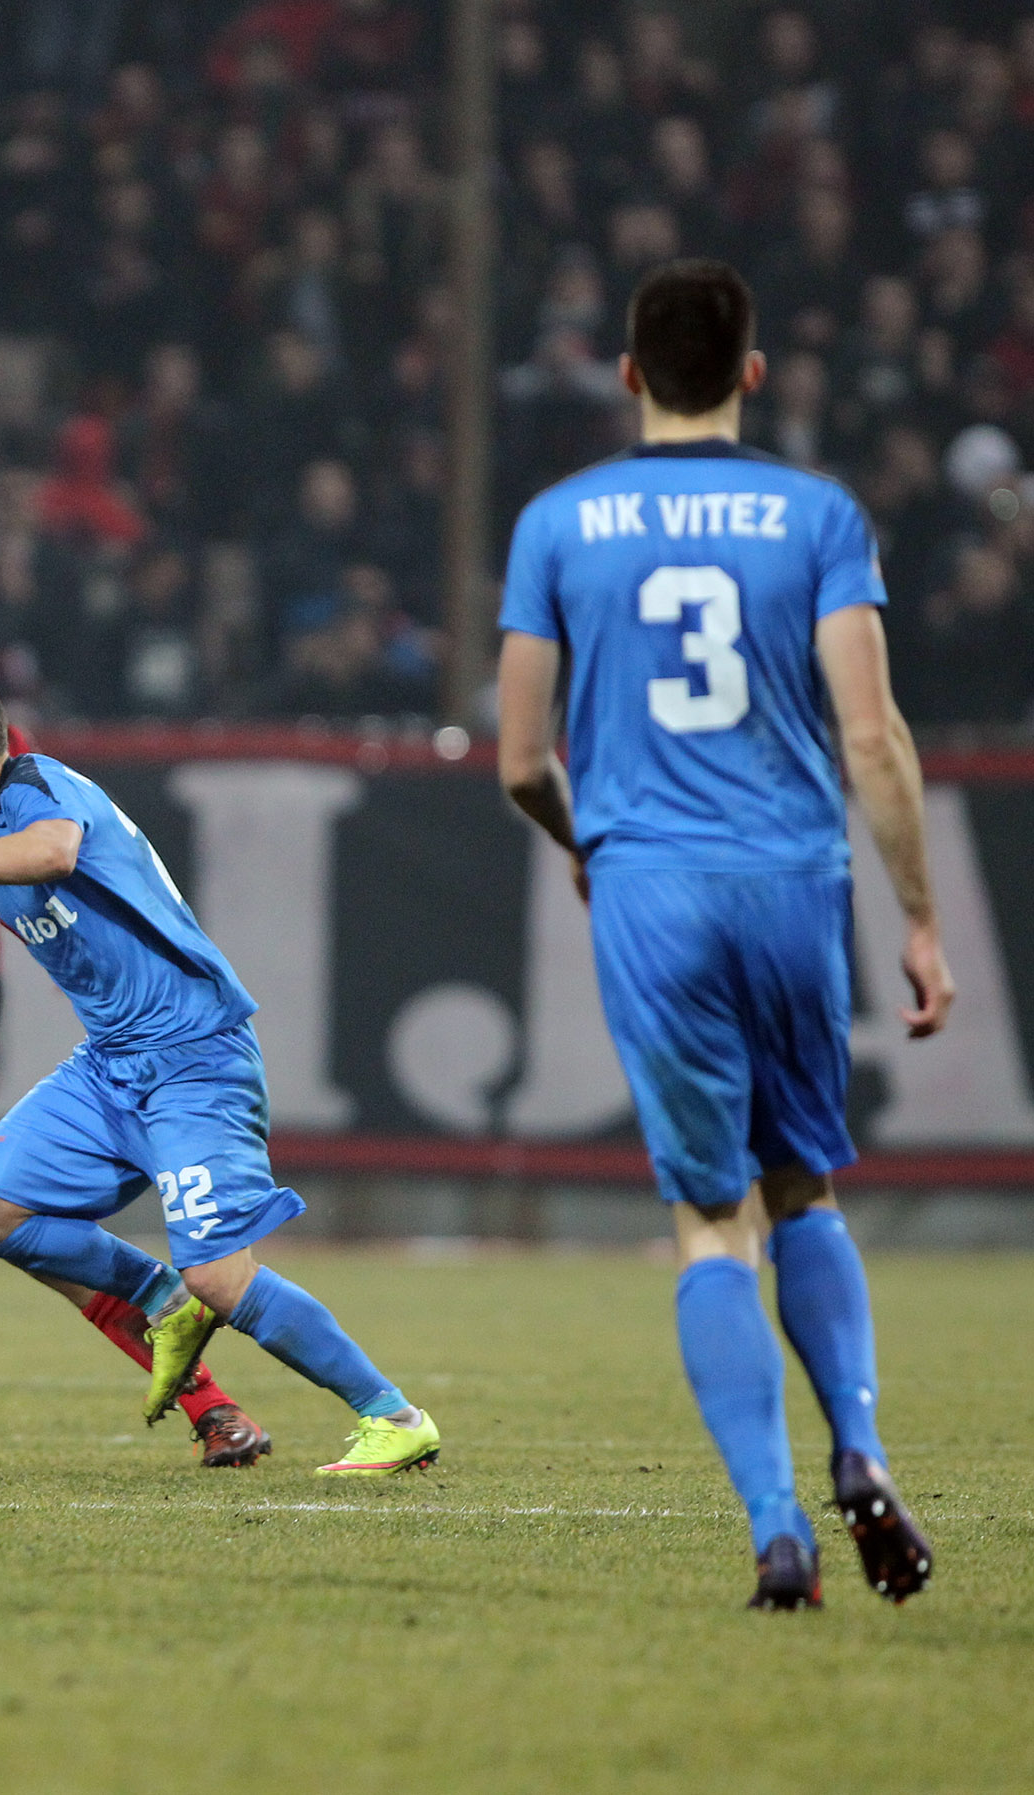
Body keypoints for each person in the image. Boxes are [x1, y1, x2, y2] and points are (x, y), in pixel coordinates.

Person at [496, 259, 948, 1610]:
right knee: (800, 1181)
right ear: (751, 373)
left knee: (707, 1219)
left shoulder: (557, 522)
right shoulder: (817, 514)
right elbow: (869, 735)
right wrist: (920, 918)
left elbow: (518, 757)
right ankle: (858, 1448)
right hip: (791, 877)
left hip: (651, 884)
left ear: (626, 374)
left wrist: (586, 845)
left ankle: (776, 1528)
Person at [0, 663, 438, 1477]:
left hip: (193, 1056)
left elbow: (52, 854)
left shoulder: (41, 790)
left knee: (219, 1274)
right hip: (109, 1065)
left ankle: (391, 1415)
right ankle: (156, 1297)